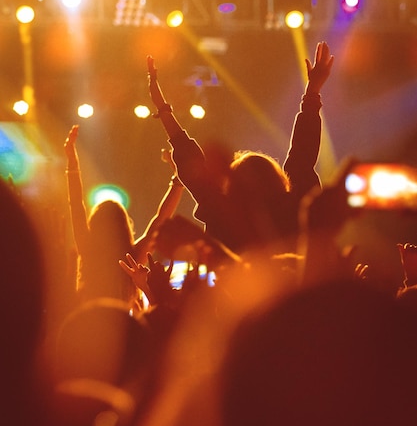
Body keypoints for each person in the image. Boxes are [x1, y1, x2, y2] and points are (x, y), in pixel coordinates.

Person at [146, 41, 334, 257]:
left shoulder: (225, 213)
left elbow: (191, 162)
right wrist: (313, 92)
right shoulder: (294, 209)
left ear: (233, 185)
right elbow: (303, 154)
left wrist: (161, 106)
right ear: (277, 178)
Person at [64, 124, 185, 314]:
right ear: (124, 226)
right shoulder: (132, 258)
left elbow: (76, 206)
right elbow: (161, 220)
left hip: (90, 328)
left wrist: (72, 162)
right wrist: (178, 179)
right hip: (127, 331)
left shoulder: (87, 249)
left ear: (94, 224)